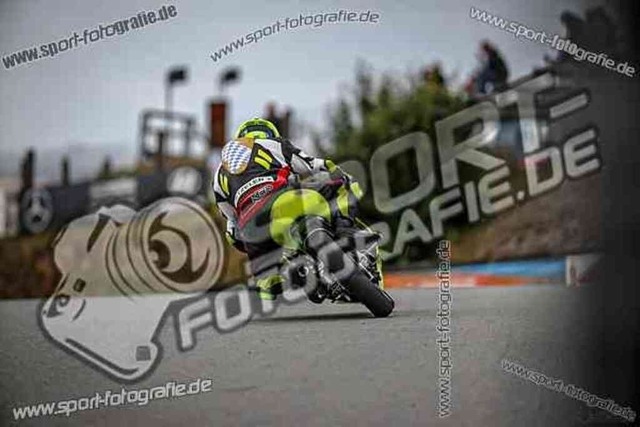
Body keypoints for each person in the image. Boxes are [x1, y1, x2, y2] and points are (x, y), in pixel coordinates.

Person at [211, 118, 382, 300]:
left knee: (266, 283)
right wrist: (335, 171)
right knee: (343, 184)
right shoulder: (273, 144)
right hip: (281, 196)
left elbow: (231, 227)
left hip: (252, 228)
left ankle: (279, 269)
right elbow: (313, 165)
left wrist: (252, 245)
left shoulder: (219, 173)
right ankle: (344, 230)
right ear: (269, 134)